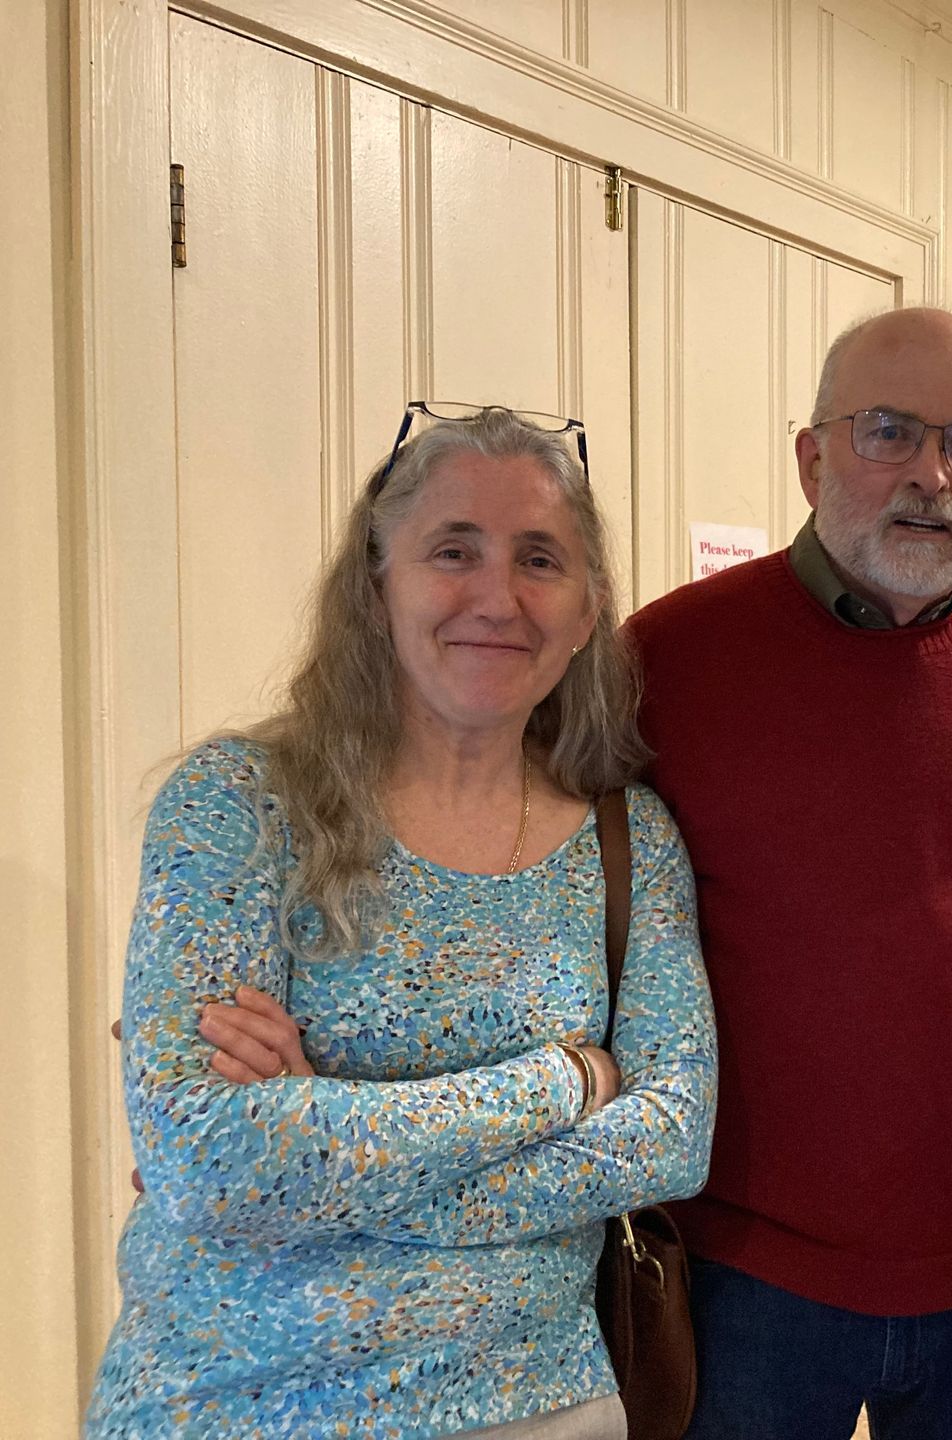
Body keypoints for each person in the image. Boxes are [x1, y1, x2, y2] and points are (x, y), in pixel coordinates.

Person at [86, 405, 717, 1439]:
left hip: (542, 1400)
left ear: (589, 607)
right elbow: (207, 1163)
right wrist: (567, 1079)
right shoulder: (236, 806)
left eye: (540, 558)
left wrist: (320, 1144)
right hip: (230, 1402)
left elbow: (669, 1142)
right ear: (376, 587)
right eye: (453, 550)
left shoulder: (629, 842)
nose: (496, 596)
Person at [622, 307, 952, 1439]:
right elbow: (532, 869)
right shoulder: (665, 661)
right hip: (744, 1268)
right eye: (888, 431)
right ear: (812, 458)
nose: (933, 476)